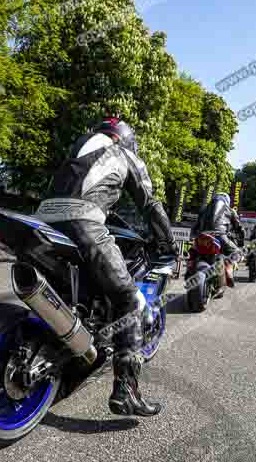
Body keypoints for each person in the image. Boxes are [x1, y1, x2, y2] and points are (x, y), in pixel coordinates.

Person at [35, 117, 176, 417]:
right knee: (128, 300)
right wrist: (167, 242)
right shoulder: (123, 153)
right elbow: (150, 204)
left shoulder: (77, 148)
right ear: (126, 140)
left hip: (42, 220)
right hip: (83, 223)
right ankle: (127, 391)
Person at [191, 193, 243, 287]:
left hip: (202, 236)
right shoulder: (230, 210)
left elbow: (195, 226)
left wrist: (193, 237)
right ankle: (228, 268)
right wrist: (241, 241)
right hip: (220, 236)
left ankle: (190, 268)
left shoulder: (204, 209)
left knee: (193, 254)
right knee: (238, 253)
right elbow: (239, 228)